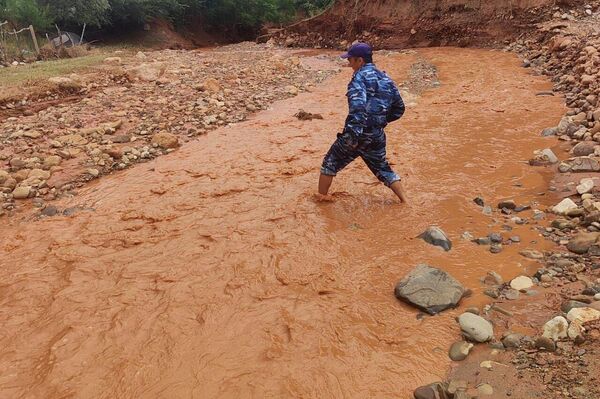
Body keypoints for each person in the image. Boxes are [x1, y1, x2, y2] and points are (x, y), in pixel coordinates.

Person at [318, 42, 407, 203]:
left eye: (350, 60)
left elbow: (358, 106)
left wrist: (353, 134)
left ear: (360, 61)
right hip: (376, 135)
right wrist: (380, 121)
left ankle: (321, 200)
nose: (349, 63)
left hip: (356, 134)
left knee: (329, 163)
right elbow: (399, 108)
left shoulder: (359, 78)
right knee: (383, 169)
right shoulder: (386, 79)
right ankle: (405, 202)